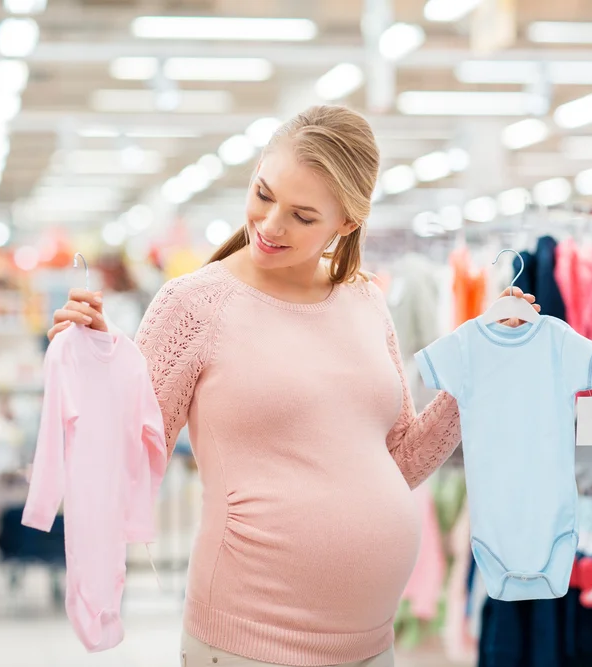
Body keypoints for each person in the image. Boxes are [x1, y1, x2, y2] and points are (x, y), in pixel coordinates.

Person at [47, 105, 540, 667]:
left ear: (346, 224)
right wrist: (93, 366)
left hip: (373, 644)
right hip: (249, 644)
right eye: (263, 193)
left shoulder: (366, 300)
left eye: (303, 216)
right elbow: (124, 459)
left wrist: (479, 366)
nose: (270, 224)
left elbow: (401, 460)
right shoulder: (194, 305)